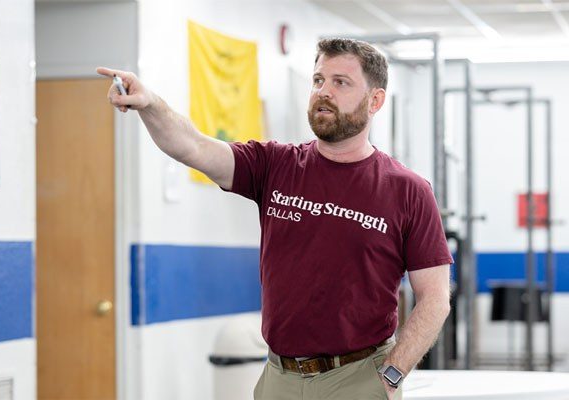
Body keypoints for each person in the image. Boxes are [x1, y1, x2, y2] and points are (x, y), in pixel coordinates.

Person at [97, 37, 452, 400]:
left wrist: (391, 375)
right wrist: (150, 104)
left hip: (358, 377)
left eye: (340, 82)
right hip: (279, 377)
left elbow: (435, 298)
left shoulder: (407, 190)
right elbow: (193, 146)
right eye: (318, 80)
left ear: (375, 100)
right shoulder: (276, 165)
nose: (323, 92)